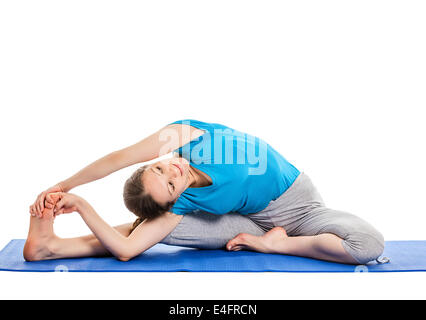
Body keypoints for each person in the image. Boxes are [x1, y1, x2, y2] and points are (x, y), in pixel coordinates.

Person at [26, 119, 384, 264]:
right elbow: (126, 250)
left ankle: (279, 244)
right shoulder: (183, 201)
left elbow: (119, 158)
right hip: (248, 225)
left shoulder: (185, 137)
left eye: (160, 167)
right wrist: (83, 205)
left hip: (300, 208)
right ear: (174, 197)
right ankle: (51, 247)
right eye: (169, 185)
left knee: (368, 244)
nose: (174, 170)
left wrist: (63, 186)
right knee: (155, 230)